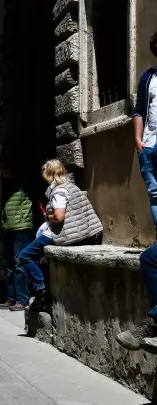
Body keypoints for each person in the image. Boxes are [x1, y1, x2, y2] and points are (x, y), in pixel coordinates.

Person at [15, 159, 103, 311]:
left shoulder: (59, 191)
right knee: (43, 259)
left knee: (25, 255)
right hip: (81, 233)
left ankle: (41, 289)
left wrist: (46, 216)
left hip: (62, 234)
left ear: (48, 174)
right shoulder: (72, 187)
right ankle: (43, 293)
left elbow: (59, 217)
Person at [118, 50, 157, 351]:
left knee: (150, 258)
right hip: (151, 149)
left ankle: (153, 321)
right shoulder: (149, 77)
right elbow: (140, 108)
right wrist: (138, 141)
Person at [0, 162, 36, 311]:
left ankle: (22, 299)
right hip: (8, 229)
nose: (3, 174)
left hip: (22, 228)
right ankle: (10, 298)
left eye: (5, 170)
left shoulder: (26, 185)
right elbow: (2, 209)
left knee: (20, 263)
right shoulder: (7, 189)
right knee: (8, 265)